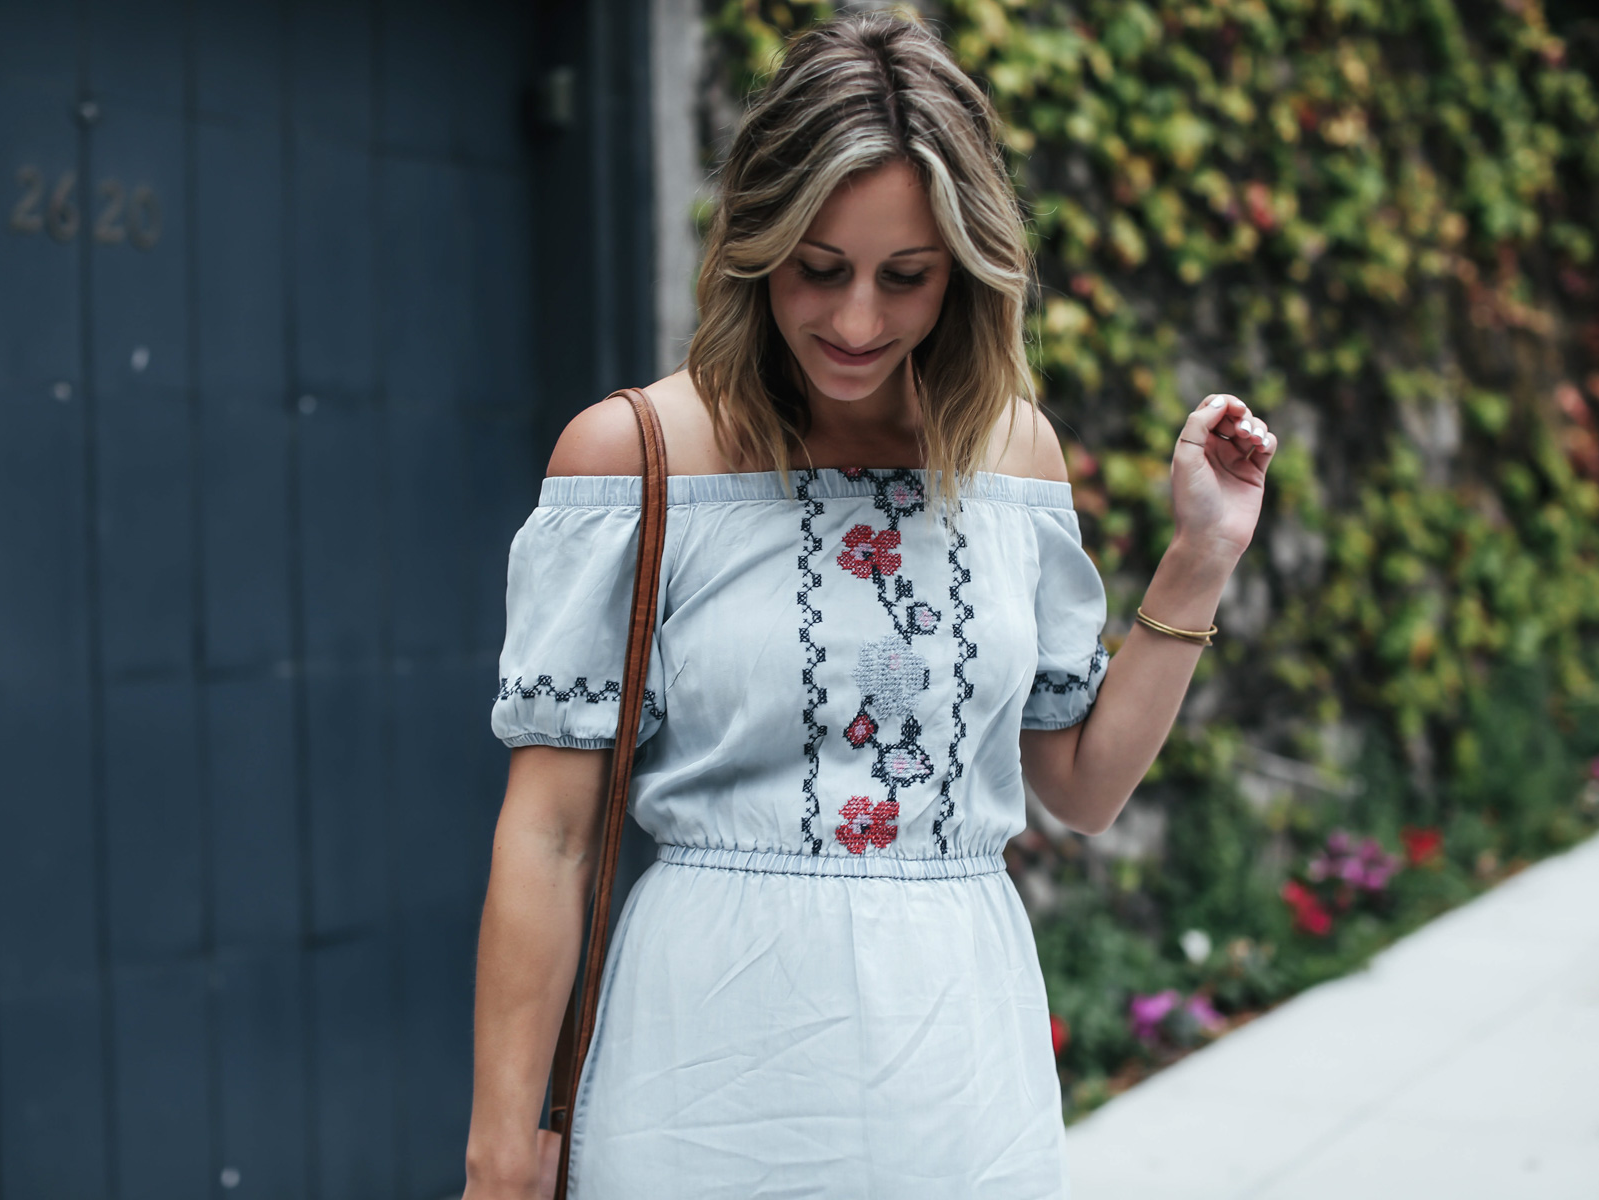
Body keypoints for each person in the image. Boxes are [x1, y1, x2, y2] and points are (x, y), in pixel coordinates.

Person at [462, 12, 1274, 1199]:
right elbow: (550, 833)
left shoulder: (1017, 459)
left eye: (907, 277)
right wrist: (496, 1154)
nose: (856, 323)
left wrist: (1201, 556)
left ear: (967, 267)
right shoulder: (634, 457)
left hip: (958, 1061)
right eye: (818, 266)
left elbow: (1081, 787)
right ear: (756, 241)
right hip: (702, 1062)